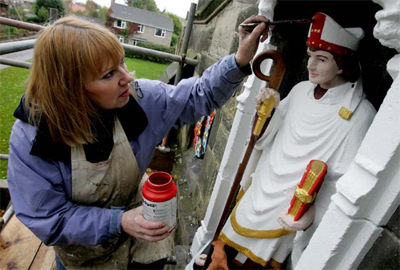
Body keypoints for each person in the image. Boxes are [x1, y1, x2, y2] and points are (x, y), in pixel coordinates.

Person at [6, 15, 270, 269]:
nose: (127, 78)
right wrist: (117, 221)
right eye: (109, 74)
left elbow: (195, 96)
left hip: (142, 232)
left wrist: (239, 59)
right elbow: (48, 218)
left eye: (122, 62)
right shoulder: (33, 138)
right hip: (84, 255)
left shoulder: (138, 100)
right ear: (70, 88)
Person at [207, 12, 376, 270]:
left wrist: (312, 215)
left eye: (322, 59)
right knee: (221, 255)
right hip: (262, 187)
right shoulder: (299, 91)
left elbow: (344, 181)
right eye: (310, 57)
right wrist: (268, 112)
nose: (310, 66)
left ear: (342, 63)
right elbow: (264, 140)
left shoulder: (359, 114)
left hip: (290, 208)